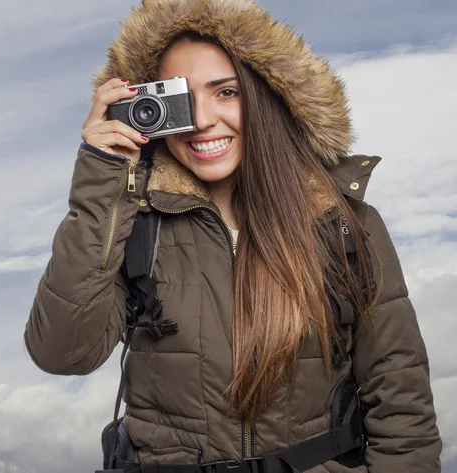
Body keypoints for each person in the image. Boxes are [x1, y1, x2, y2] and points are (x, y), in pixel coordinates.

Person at [24, 0, 442, 471]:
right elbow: (62, 354)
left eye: (226, 93)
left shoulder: (342, 222)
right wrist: (103, 182)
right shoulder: (133, 224)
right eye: (179, 101)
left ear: (268, 96)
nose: (202, 121)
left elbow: (402, 403)